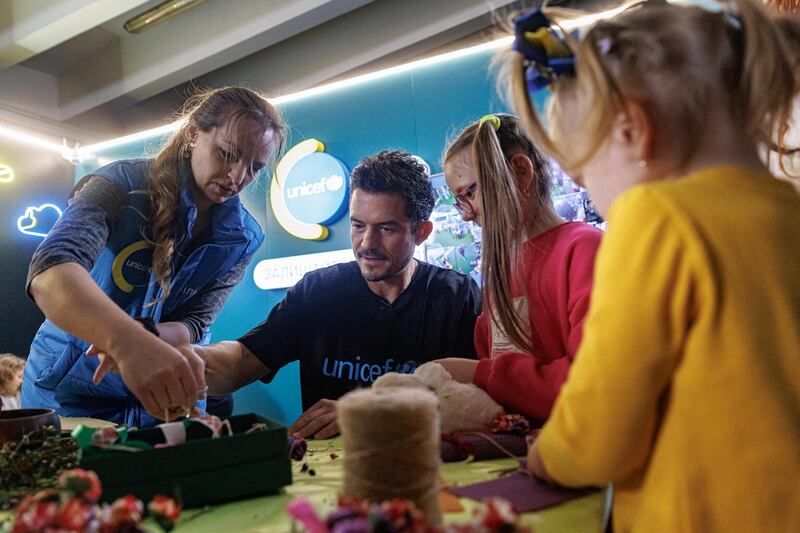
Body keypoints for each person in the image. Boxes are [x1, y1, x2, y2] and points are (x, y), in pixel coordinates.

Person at [503, 1, 800, 531]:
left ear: (633, 131)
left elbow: (600, 430)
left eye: (584, 167)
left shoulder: (657, 217)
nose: (586, 188)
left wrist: (549, 453)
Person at [22, 86, 287, 428]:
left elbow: (196, 323)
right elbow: (51, 269)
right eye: (227, 154)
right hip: (67, 393)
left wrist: (148, 341)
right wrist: (127, 343)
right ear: (193, 134)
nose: (237, 177)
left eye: (253, 167)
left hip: (160, 396)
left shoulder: (244, 237)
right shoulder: (119, 184)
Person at [183, 150, 482, 439]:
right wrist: (178, 361)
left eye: (386, 229)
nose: (367, 243)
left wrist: (366, 413)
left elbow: (478, 399)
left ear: (421, 232)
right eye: (358, 225)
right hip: (328, 472)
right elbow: (243, 360)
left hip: (429, 464)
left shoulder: (456, 297)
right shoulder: (318, 292)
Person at [436, 114, 602, 422]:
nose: (466, 216)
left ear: (521, 172)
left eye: (470, 193)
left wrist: (477, 374)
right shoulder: (501, 270)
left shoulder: (584, 250)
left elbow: (594, 385)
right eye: (458, 202)